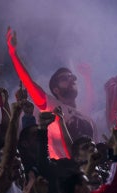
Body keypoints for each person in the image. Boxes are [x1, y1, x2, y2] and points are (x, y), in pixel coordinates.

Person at [6, 26, 96, 159]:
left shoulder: (85, 115)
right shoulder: (52, 106)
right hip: (65, 172)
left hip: (90, 170)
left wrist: (88, 77)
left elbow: (91, 101)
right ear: (56, 90)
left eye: (72, 77)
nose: (71, 79)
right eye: (64, 78)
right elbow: (29, 83)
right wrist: (13, 54)